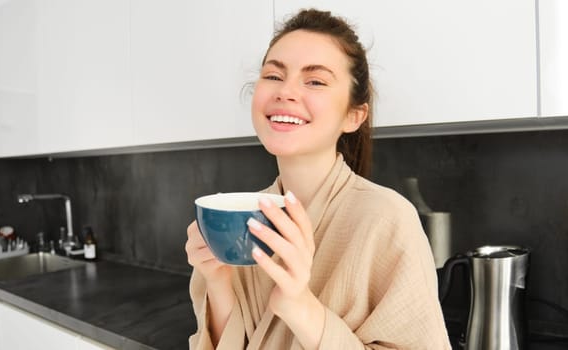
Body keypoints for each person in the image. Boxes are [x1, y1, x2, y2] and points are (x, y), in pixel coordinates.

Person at [185, 8, 451, 350]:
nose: (286, 92)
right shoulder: (238, 222)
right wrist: (218, 282)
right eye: (273, 76)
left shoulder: (388, 220)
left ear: (354, 115)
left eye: (315, 81)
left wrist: (301, 306)